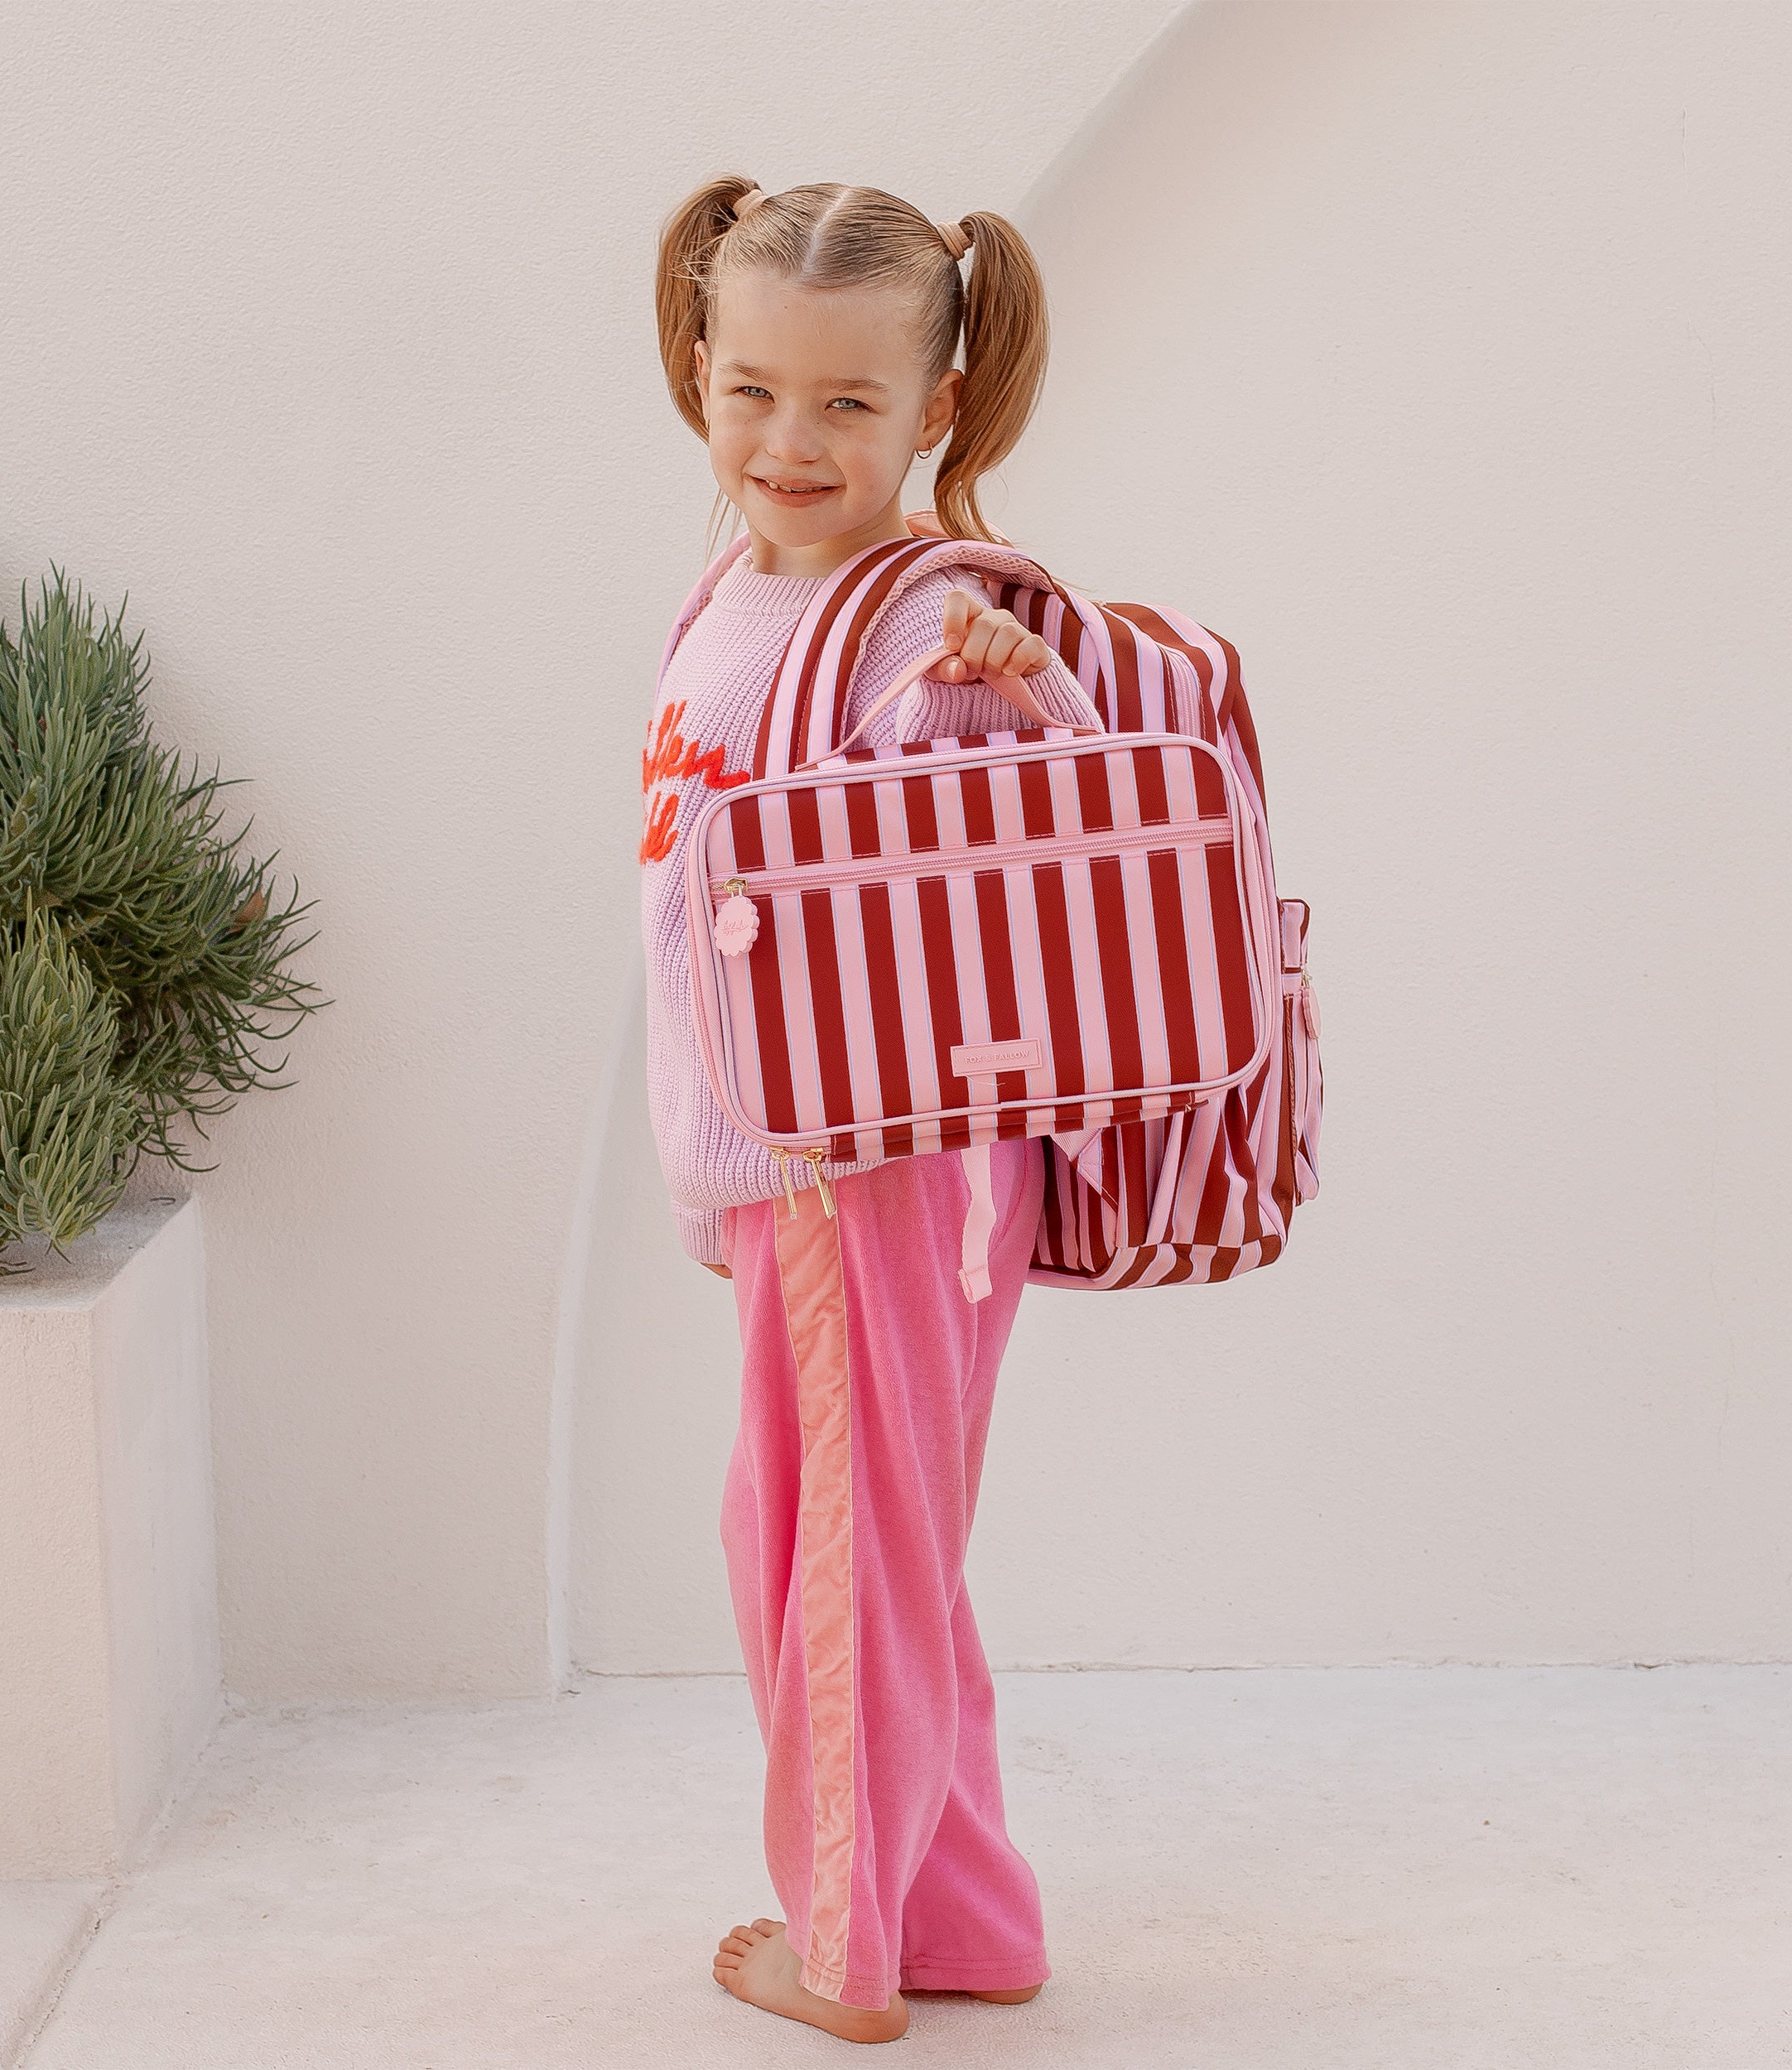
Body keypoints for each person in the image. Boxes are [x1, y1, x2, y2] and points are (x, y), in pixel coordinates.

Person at [644, 176, 1101, 2046]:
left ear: (936, 401)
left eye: (847, 401)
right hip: (800, 1169)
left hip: (869, 1172)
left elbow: (1047, 816)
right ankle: (963, 1907)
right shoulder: (734, 590)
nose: (791, 438)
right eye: (754, 387)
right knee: (875, 1538)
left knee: (819, 1549)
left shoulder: (918, 627)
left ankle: (843, 1941)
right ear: (696, 364)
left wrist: (1014, 679)